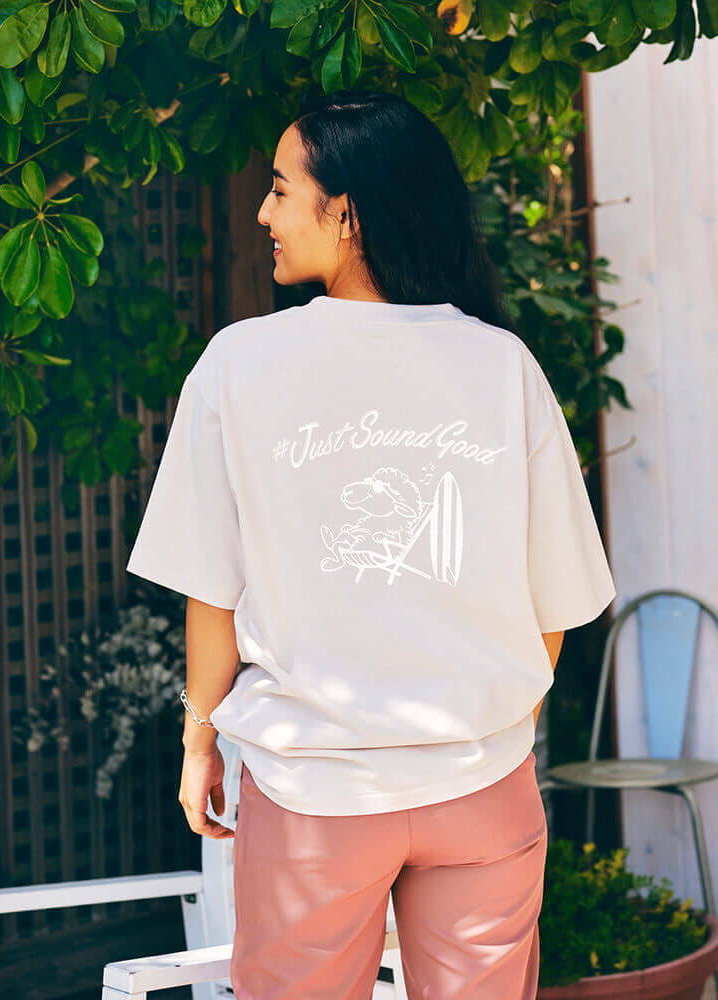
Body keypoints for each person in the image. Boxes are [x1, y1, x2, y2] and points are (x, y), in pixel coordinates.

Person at [126, 89, 616, 1000]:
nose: (263, 212)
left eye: (281, 190)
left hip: (315, 798)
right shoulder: (503, 365)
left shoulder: (238, 364)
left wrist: (200, 742)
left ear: (346, 214)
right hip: (482, 788)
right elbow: (557, 604)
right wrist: (486, 727)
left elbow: (211, 591)